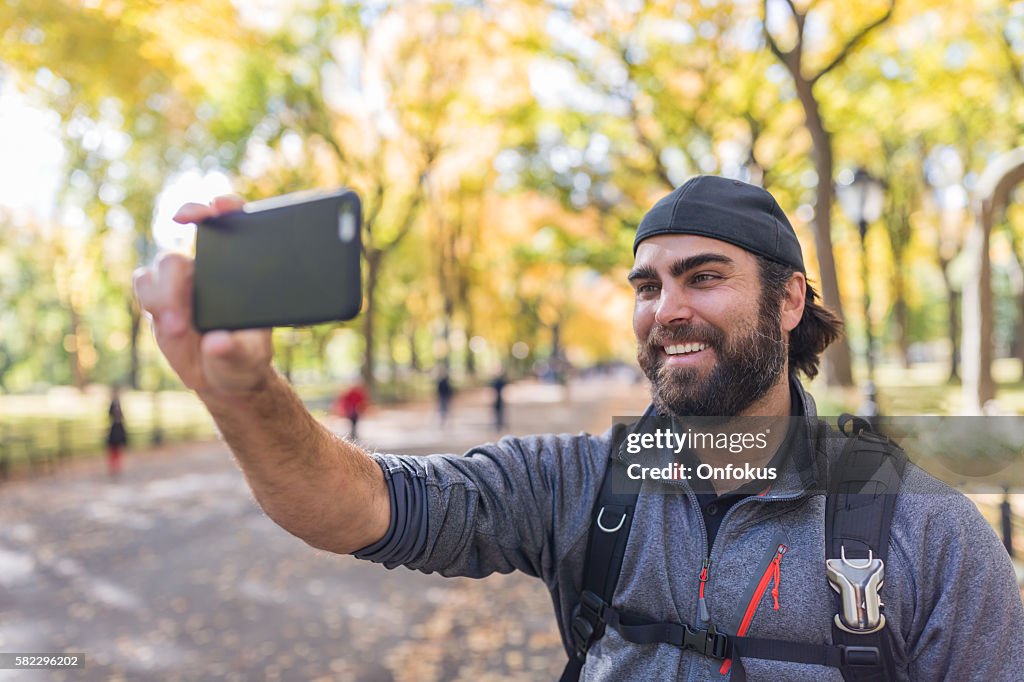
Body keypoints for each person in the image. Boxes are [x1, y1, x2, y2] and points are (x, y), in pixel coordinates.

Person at [134, 181, 1024, 680]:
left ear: (790, 300)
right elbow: (353, 506)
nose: (668, 310)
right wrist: (242, 392)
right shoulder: (579, 484)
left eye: (703, 277)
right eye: (647, 286)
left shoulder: (922, 531)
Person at [106, 385, 128, 479]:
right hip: (114, 428)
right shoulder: (112, 404)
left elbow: (122, 416)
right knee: (113, 448)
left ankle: (118, 465)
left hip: (119, 427)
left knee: (118, 449)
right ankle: (113, 466)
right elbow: (109, 415)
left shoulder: (119, 403)